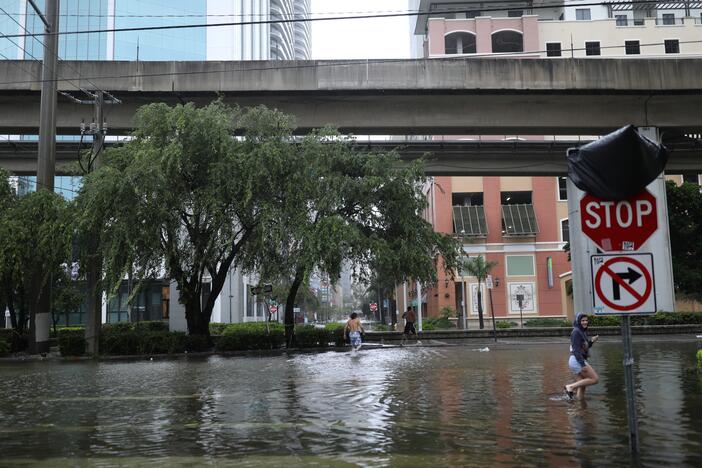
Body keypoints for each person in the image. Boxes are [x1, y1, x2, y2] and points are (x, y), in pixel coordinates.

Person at [564, 313, 599, 400]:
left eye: (586, 320)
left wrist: (591, 341)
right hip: (576, 360)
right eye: (582, 320)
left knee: (582, 385)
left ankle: (579, 405)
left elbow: (584, 347)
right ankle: (570, 387)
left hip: (576, 360)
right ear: (578, 321)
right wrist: (582, 364)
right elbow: (576, 350)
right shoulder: (576, 332)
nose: (585, 322)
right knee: (595, 379)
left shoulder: (581, 332)